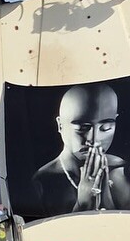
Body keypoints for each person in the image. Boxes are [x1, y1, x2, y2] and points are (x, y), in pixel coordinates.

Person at [31, 84, 130, 215]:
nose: (94, 140)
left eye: (106, 128)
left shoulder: (121, 170)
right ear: (60, 125)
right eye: (82, 129)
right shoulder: (43, 181)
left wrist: (107, 200)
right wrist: (83, 205)